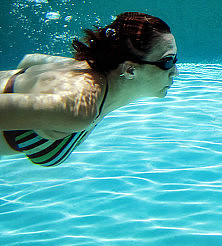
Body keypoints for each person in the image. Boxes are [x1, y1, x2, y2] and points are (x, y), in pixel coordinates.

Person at [1, 12, 178, 166]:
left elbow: (30, 60)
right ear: (130, 69)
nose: (175, 72)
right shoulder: (77, 107)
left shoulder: (87, 73)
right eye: (168, 61)